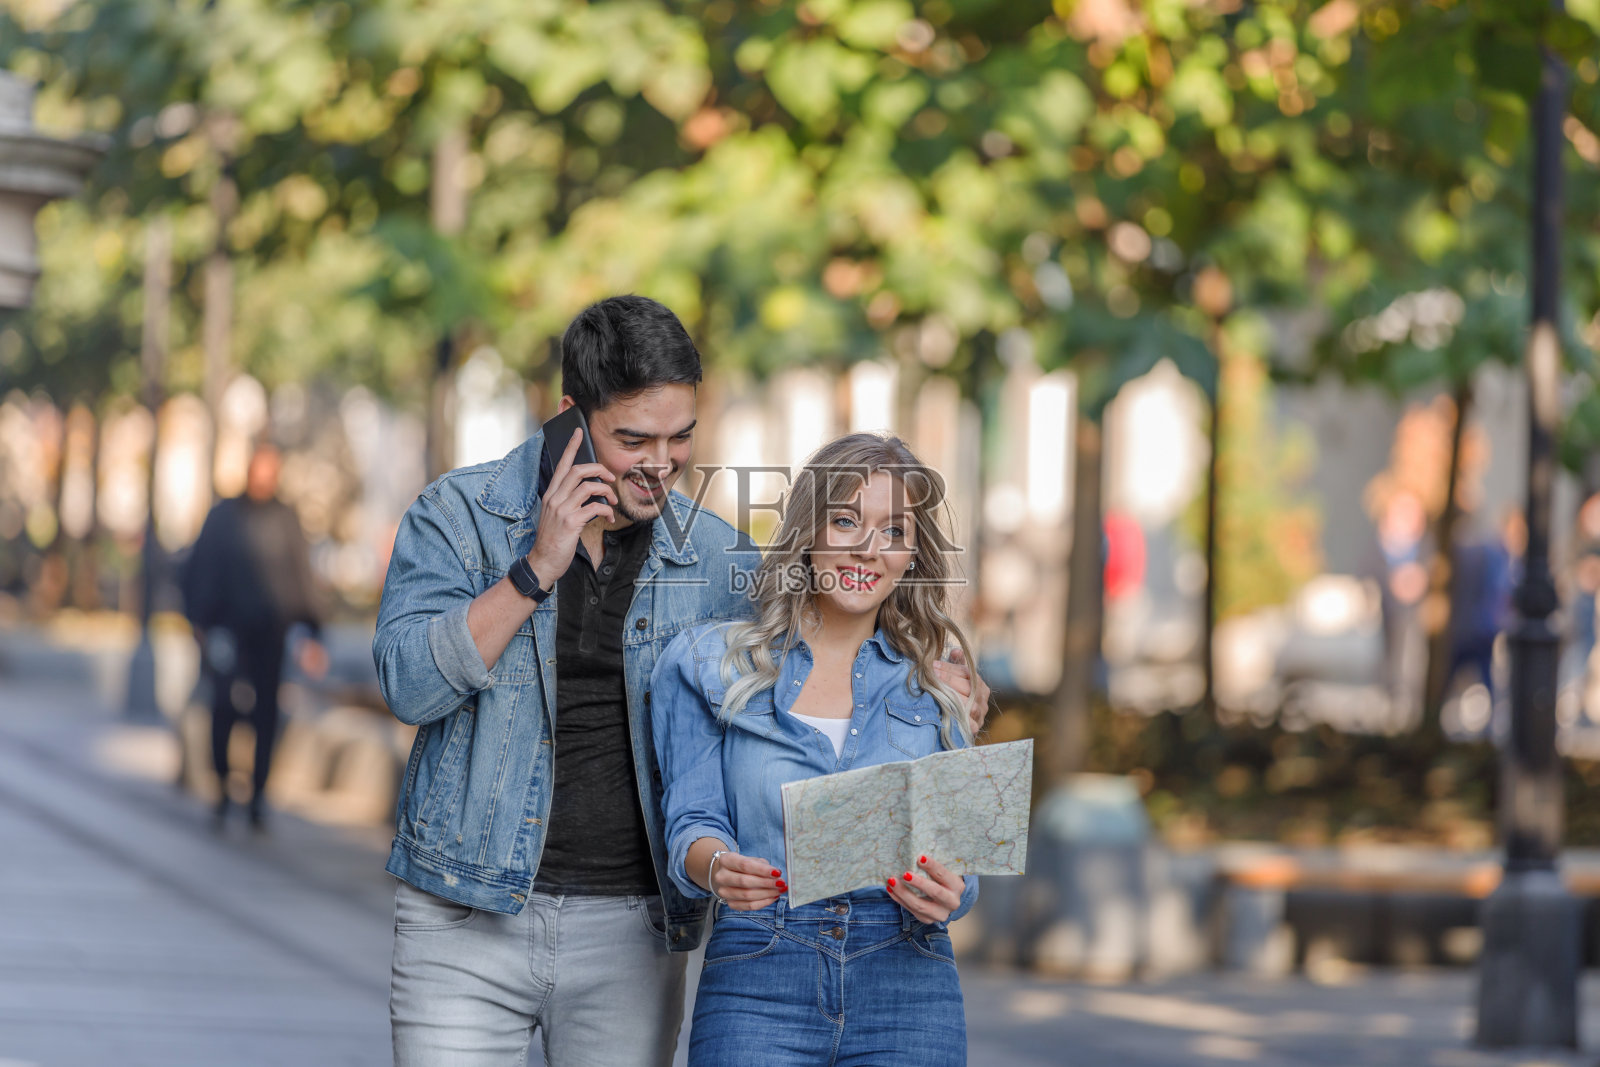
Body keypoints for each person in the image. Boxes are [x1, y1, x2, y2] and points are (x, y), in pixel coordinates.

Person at [372, 295, 998, 1066]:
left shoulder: (718, 557)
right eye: (634, 438)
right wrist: (538, 567)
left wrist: (925, 670)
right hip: (463, 911)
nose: (662, 462)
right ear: (571, 415)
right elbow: (408, 687)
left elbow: (818, 649)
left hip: (630, 933)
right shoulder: (458, 515)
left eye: (681, 437)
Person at [651, 433, 981, 1067]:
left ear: (912, 555)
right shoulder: (709, 665)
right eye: (846, 520)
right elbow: (691, 823)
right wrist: (717, 867)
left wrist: (953, 894)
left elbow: (961, 865)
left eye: (893, 531)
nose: (867, 549)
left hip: (910, 982)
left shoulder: (939, 682)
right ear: (808, 531)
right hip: (760, 975)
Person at [180, 440, 326, 829]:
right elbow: (199, 570)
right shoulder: (223, 516)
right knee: (223, 706)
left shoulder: (286, 518)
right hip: (227, 630)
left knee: (266, 714)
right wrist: (198, 623)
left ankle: (258, 795)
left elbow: (302, 575)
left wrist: (312, 631)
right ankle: (223, 789)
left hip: (271, 633)